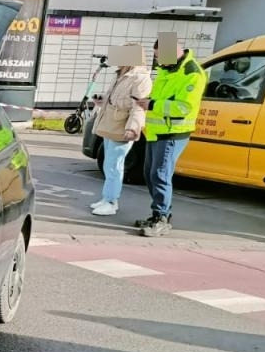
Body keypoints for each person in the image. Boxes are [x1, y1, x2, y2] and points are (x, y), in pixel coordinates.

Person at [137, 40, 208, 237]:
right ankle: (158, 215)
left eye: (159, 56)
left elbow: (184, 107)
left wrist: (152, 105)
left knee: (160, 175)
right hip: (156, 131)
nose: (157, 60)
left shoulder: (191, 73)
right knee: (150, 174)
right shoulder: (167, 70)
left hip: (172, 132)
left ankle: (161, 218)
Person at [89, 44, 152, 217]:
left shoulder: (140, 78)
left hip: (121, 127)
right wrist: (101, 100)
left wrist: (133, 128)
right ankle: (106, 198)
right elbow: (117, 99)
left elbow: (138, 107)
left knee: (114, 166)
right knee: (109, 165)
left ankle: (110, 201)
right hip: (111, 125)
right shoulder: (122, 75)